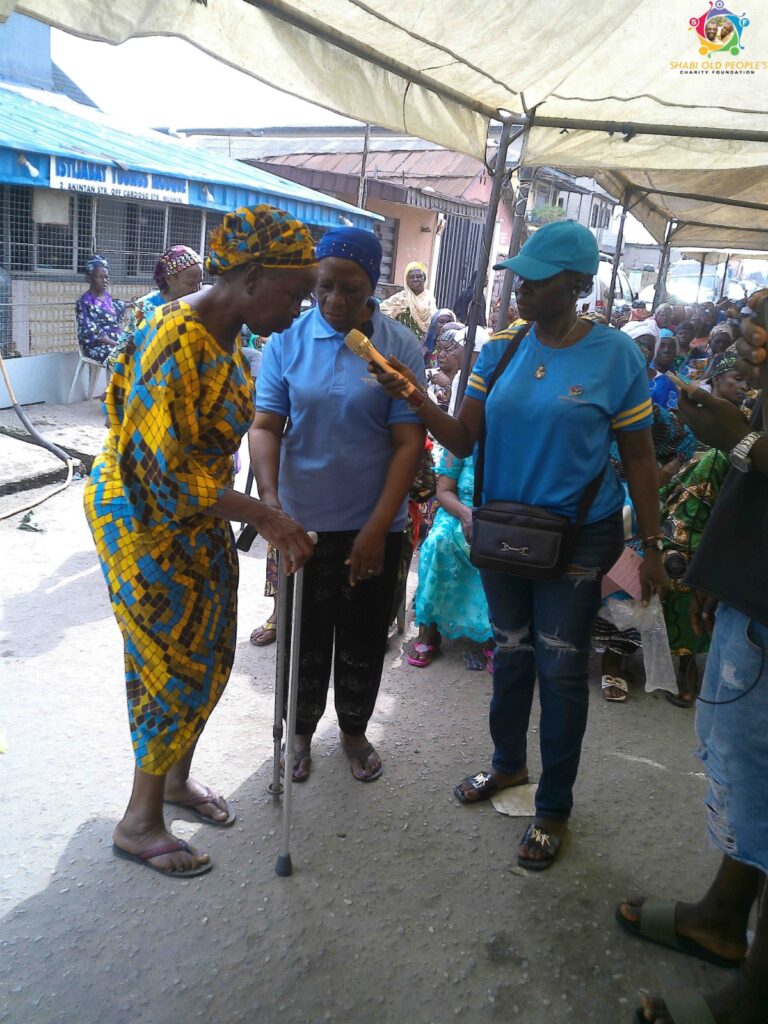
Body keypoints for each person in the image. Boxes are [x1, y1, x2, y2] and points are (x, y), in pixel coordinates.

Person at [374, 219, 666, 869]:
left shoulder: (616, 355)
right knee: (511, 654)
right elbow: (460, 438)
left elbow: (641, 458)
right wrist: (412, 394)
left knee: (560, 669)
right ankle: (508, 765)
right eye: (518, 278)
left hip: (579, 537)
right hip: (505, 531)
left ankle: (553, 806)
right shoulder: (501, 349)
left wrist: (649, 545)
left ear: (578, 284)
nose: (521, 289)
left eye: (536, 279)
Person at [83, 206, 317, 878]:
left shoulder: (231, 339)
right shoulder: (173, 338)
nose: (298, 310)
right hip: (140, 515)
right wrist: (266, 518)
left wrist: (267, 502)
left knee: (211, 648)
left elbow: (231, 441)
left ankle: (176, 780)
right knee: (169, 660)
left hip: (199, 511)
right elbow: (159, 474)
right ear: (252, 275)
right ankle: (138, 822)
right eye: (294, 294)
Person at [618, 291, 768, 1024]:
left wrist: (738, 438)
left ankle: (756, 996)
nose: (746, 345)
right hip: (753, 594)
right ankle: (721, 917)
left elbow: (752, 452)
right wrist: (719, 567)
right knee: (749, 776)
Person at [251, 226, 426, 784]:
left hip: (374, 523)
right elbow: (265, 426)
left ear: (373, 286)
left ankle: (353, 730)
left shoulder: (398, 346)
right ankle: (300, 731)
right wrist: (271, 505)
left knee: (363, 637)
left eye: (351, 289)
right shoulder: (286, 339)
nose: (334, 301)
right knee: (302, 637)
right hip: (300, 524)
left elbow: (408, 442)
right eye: (324, 286)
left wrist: (377, 528)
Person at [405, 448, 492, 671]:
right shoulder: (461, 442)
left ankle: (497, 635)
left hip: (499, 517)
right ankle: (429, 629)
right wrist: (465, 514)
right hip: (458, 511)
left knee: (503, 552)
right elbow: (444, 491)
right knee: (438, 543)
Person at [107, 245, 203, 371]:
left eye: (199, 283)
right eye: (190, 283)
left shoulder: (195, 305)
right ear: (169, 279)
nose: (196, 289)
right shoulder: (146, 308)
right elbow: (120, 356)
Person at [75, 255, 126, 364]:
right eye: (100, 277)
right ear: (89, 278)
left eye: (106, 277)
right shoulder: (84, 302)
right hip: (97, 346)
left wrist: (135, 304)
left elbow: (116, 309)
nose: (104, 280)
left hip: (115, 342)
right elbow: (91, 331)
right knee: (123, 356)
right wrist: (117, 344)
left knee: (140, 349)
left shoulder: (107, 297)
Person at [379, 261, 437, 339]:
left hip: (424, 343)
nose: (415, 279)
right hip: (402, 341)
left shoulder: (429, 299)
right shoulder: (400, 298)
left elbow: (435, 321)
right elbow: (381, 311)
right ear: (406, 280)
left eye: (419, 276)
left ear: (425, 278)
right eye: (411, 277)